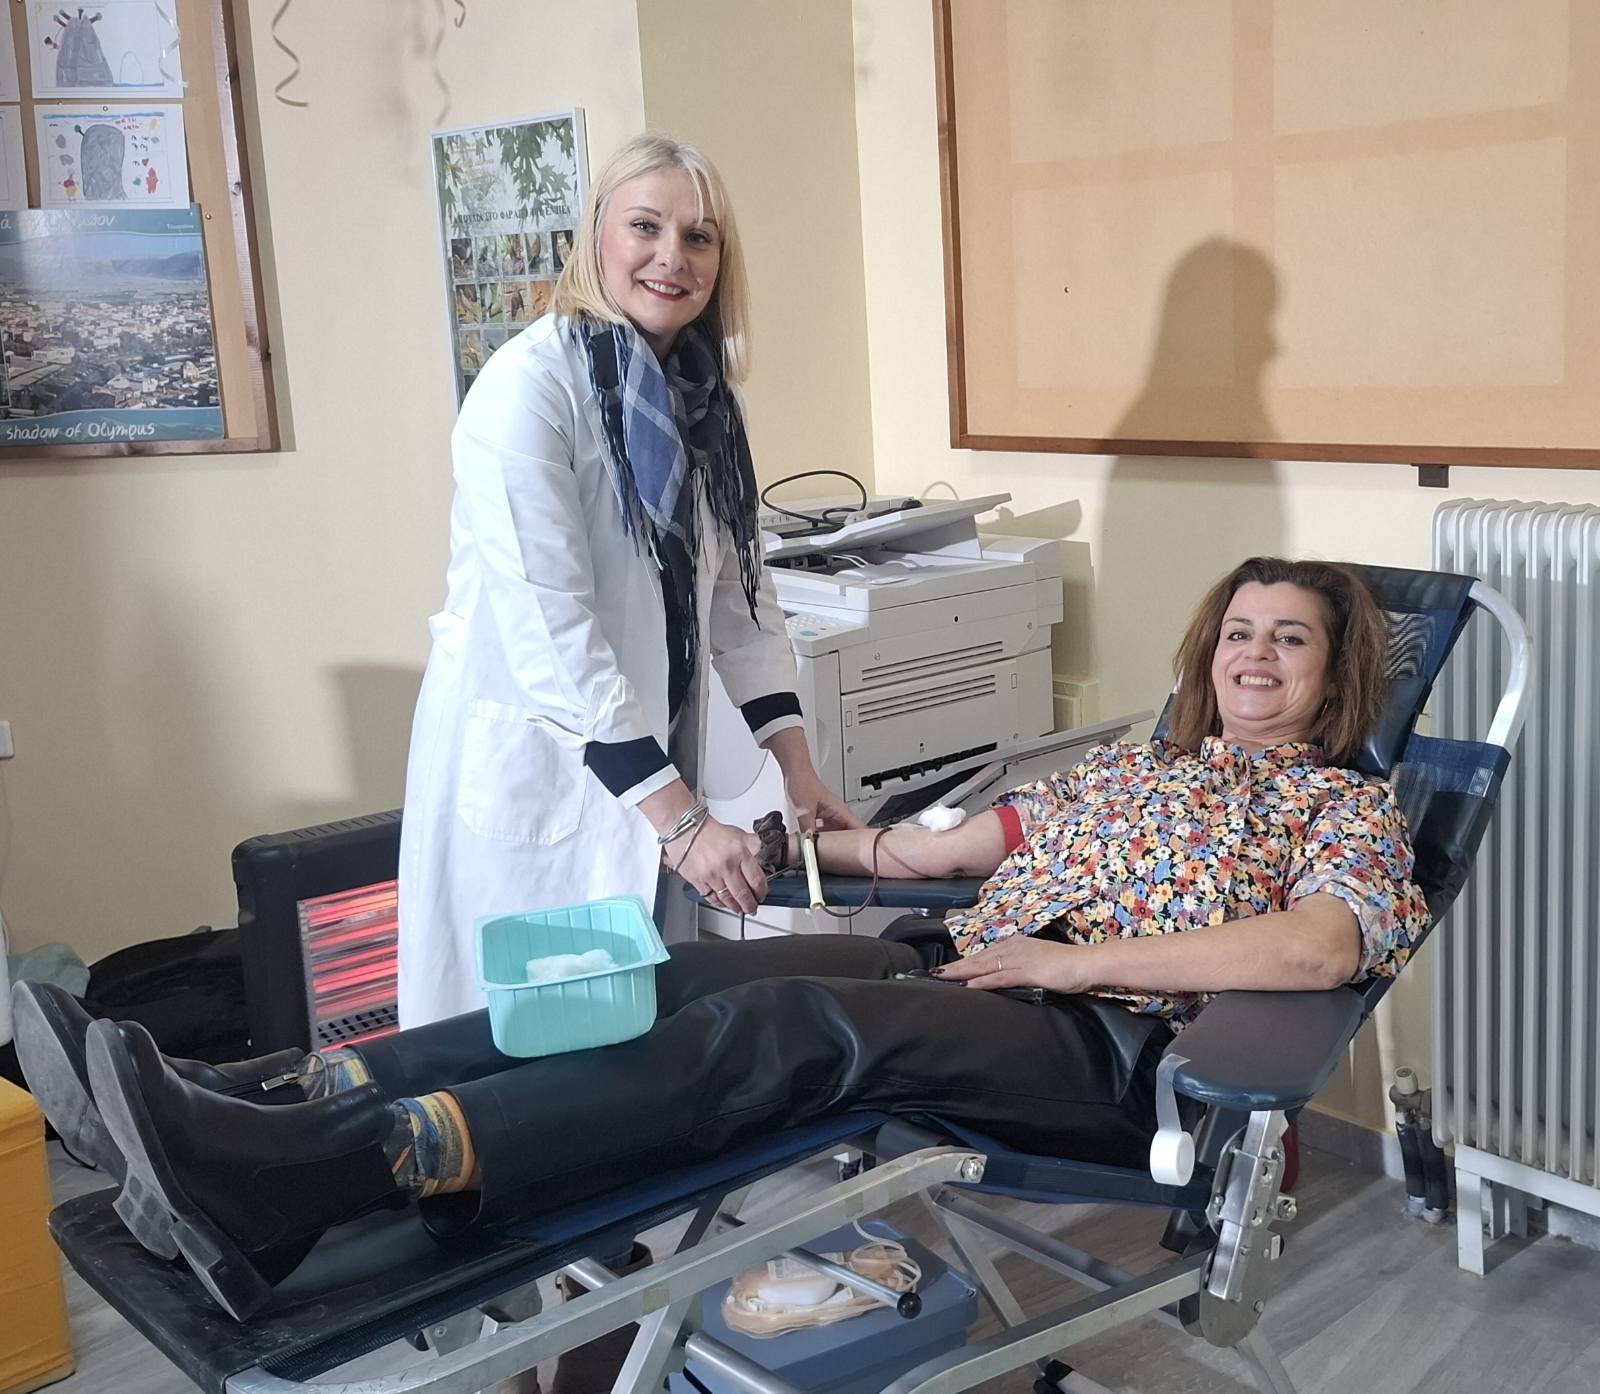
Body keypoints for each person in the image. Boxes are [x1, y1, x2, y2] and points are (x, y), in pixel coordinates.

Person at [24, 558, 1432, 1321]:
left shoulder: (1342, 808)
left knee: (785, 1033)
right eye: (1239, 630)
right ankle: (265, 1098)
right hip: (968, 965)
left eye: (1288, 640)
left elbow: (1317, 950)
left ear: (1335, 678)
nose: (1254, 654)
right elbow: (951, 846)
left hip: (1106, 1044)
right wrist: (794, 836)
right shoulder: (1137, 765)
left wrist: (1071, 963)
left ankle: (320, 1173)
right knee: (667, 974)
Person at [398, 134, 859, 1028]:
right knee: (513, 1042)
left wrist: (798, 772)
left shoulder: (707, 400)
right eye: (645, 227)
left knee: (624, 1036)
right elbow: (550, 632)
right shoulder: (527, 390)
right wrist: (681, 822)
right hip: (548, 771)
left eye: (699, 237)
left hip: (643, 768)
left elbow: (738, 601)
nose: (671, 257)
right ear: (597, 235)